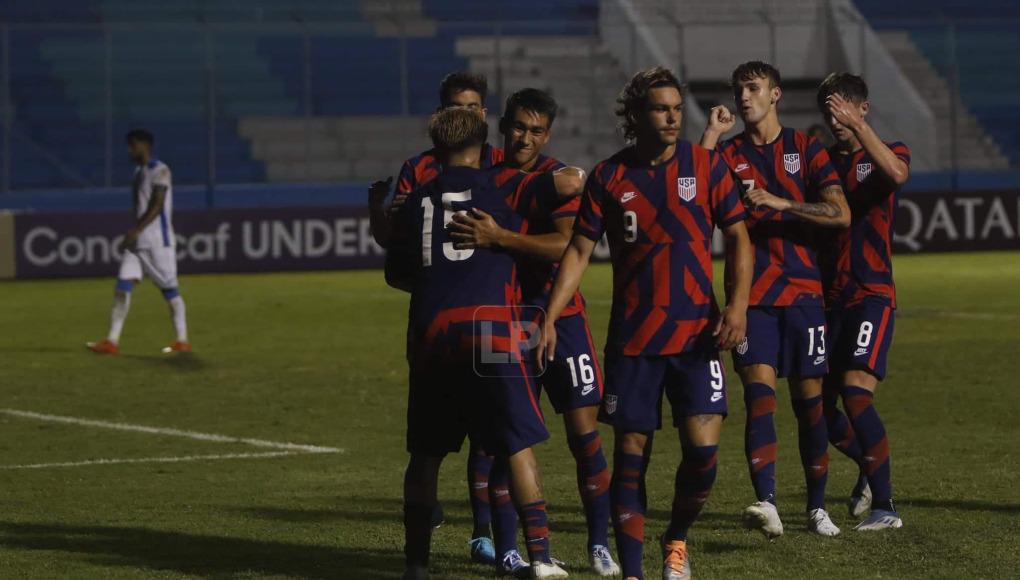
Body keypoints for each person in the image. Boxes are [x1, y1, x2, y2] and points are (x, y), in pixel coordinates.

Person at [539, 67, 752, 580]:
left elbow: (741, 239)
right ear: (636, 115)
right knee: (631, 459)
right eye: (662, 108)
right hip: (634, 343)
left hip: (698, 338)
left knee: (704, 458)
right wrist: (548, 316)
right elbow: (578, 252)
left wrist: (738, 306)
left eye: (678, 107)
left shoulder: (706, 166)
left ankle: (675, 537)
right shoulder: (609, 178)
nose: (674, 116)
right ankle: (633, 571)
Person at [386, 107, 583, 579]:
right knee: (517, 446)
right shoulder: (505, 185)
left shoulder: (417, 203)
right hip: (491, 328)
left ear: (437, 148)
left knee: (426, 455)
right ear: (483, 143)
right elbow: (573, 182)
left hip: (434, 332)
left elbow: (397, 273)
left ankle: (416, 564)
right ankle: (540, 558)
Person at [449, 88, 618, 576]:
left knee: (584, 438)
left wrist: (502, 237)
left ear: (548, 134)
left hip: (559, 317)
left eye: (536, 130)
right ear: (504, 126)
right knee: (501, 442)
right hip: (499, 320)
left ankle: (598, 543)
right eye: (519, 127)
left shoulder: (557, 179)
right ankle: (507, 549)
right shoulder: (481, 178)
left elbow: (567, 247)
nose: (526, 137)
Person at [700, 61, 850, 538]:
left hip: (803, 293)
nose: (744, 97)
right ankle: (766, 502)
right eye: (738, 89)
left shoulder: (806, 149)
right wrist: (709, 135)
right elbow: (691, 196)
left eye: (753, 88)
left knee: (810, 406)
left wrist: (782, 202)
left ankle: (816, 508)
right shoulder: (727, 155)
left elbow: (840, 213)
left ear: (775, 94)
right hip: (752, 297)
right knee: (759, 397)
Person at [368, 71, 505, 565]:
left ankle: (486, 532)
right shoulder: (418, 169)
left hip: (488, 318)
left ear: (484, 113)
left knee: (493, 439)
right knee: (434, 447)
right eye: (454, 106)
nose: (463, 114)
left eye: (471, 106)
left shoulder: (504, 167)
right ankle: (422, 556)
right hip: (438, 323)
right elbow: (396, 247)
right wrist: (379, 216)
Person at [815, 72, 909, 531]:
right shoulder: (824, 165)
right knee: (820, 411)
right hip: (831, 300)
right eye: (830, 112)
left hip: (872, 293)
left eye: (845, 109)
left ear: (863, 108)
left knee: (855, 394)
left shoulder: (888, 153)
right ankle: (870, 472)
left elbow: (896, 174)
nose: (837, 120)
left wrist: (860, 127)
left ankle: (886, 508)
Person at [87, 129, 190, 356]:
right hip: (138, 243)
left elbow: (157, 205)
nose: (130, 150)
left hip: (157, 242)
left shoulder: (161, 171)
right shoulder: (138, 172)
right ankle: (112, 341)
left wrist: (136, 230)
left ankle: (182, 340)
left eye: (133, 145)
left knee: (169, 289)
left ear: (145, 145)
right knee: (122, 286)